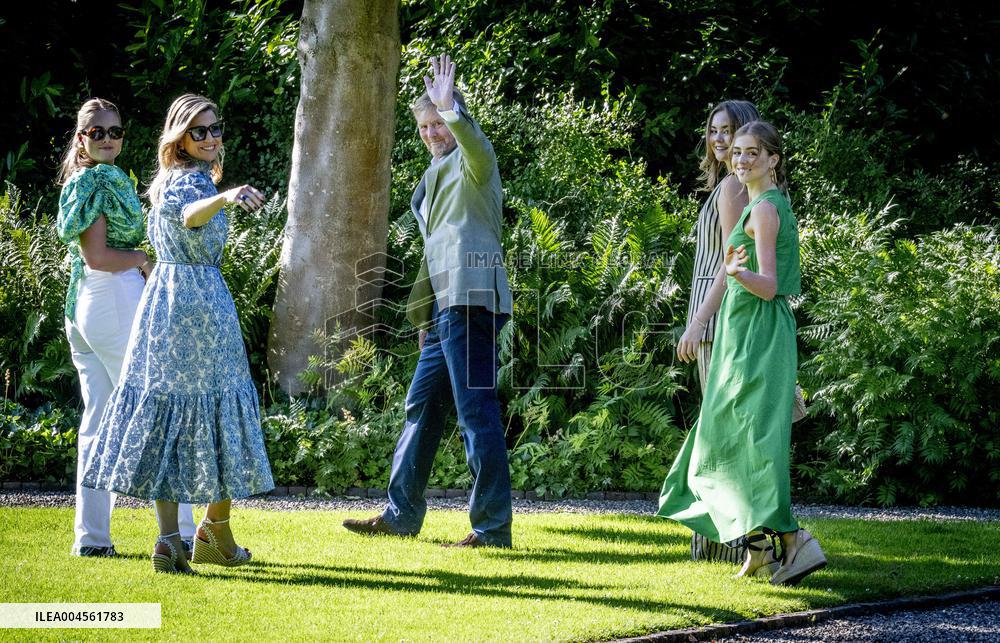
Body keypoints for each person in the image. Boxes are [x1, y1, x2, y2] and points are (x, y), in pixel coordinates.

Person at [82, 94, 274, 573]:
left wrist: (220, 192)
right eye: (199, 131)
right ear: (180, 138)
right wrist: (227, 196)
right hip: (178, 307)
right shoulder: (179, 182)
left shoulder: (191, 177)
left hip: (203, 306)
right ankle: (172, 539)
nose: (210, 138)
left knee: (216, 409)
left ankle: (212, 532)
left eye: (215, 129)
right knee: (173, 413)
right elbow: (190, 216)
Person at [343, 54, 514, 548]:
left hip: (473, 301)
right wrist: (424, 314)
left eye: (438, 122)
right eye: (424, 124)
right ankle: (400, 516)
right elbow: (433, 251)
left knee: (475, 411)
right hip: (444, 310)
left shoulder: (473, 164)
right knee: (421, 405)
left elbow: (476, 146)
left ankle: (492, 528)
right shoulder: (431, 177)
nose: (431, 132)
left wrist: (453, 111)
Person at [659, 121, 827, 586]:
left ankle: (795, 540)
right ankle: (758, 551)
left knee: (753, 444)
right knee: (725, 440)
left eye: (753, 153)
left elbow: (770, 286)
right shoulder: (756, 205)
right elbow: (732, 275)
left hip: (759, 334)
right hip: (740, 331)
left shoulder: (767, 210)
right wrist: (703, 315)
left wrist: (738, 273)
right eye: (736, 153)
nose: (741, 160)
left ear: (773, 159)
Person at [55, 98, 196, 558]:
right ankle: (186, 535)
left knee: (98, 423)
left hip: (85, 306)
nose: (109, 139)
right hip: (110, 297)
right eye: (98, 132)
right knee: (157, 408)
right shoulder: (96, 181)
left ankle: (92, 539)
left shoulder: (85, 180)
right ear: (82, 139)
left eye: (115, 131)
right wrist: (143, 260)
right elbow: (98, 256)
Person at [675, 100, 759, 566]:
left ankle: (727, 544)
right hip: (717, 317)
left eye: (730, 130)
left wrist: (698, 322)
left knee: (719, 433)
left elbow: (731, 265)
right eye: (714, 130)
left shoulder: (732, 187)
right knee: (718, 431)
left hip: (716, 321)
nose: (720, 139)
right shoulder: (728, 186)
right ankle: (718, 544)